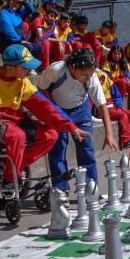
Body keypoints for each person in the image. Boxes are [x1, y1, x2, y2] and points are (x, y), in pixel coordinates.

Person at [0, 45, 89, 192]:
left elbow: (45, 106)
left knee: (50, 135)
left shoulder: (22, 82)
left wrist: (71, 126)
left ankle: (14, 167)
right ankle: (10, 178)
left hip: (14, 120)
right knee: (17, 135)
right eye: (26, 68)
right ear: (10, 67)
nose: (30, 72)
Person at [37, 48, 119, 192]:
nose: (87, 77)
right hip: (59, 110)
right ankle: (60, 188)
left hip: (80, 110)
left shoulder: (91, 78)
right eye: (83, 74)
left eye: (90, 74)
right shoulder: (57, 70)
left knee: (86, 148)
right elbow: (41, 88)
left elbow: (101, 105)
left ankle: (90, 187)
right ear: (72, 67)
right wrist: (54, 107)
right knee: (58, 148)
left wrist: (109, 134)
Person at [96, 69, 130, 149]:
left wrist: (119, 107)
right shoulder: (94, 86)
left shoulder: (110, 83)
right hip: (104, 110)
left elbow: (117, 97)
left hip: (114, 107)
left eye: (103, 78)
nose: (102, 80)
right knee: (123, 116)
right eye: (100, 78)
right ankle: (126, 141)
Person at [102, 46, 130, 110]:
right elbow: (106, 76)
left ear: (121, 54)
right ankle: (119, 104)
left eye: (119, 54)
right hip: (111, 84)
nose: (117, 56)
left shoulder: (123, 63)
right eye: (115, 53)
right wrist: (121, 79)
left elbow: (127, 76)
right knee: (122, 82)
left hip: (122, 81)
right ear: (111, 54)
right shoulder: (107, 63)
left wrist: (126, 79)